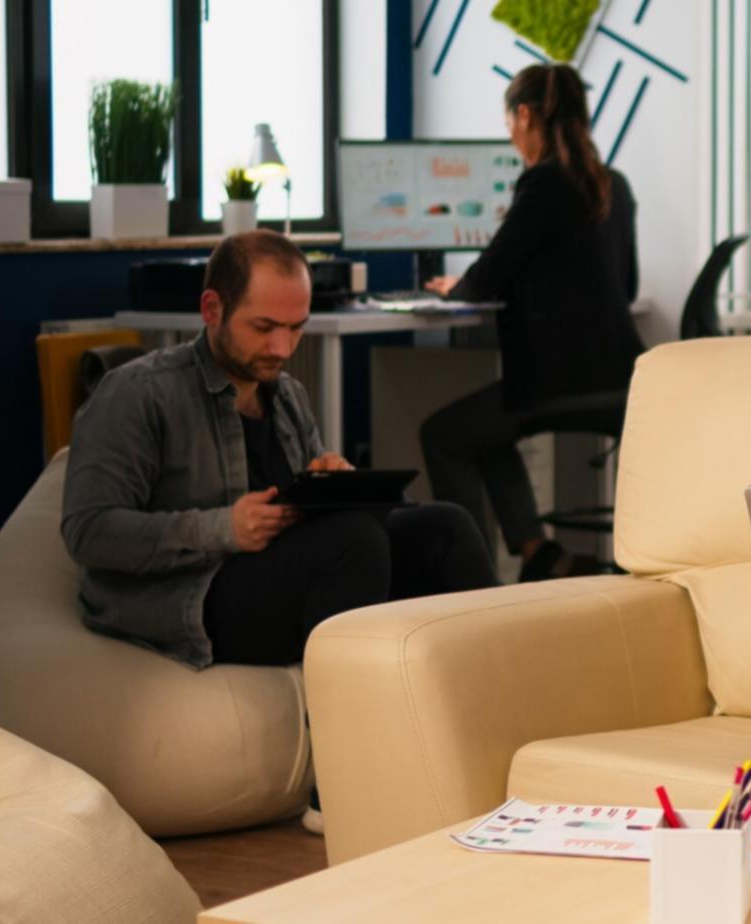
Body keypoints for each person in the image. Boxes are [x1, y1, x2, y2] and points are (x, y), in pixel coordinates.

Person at [63, 231, 498, 831]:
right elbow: (88, 532)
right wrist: (222, 528)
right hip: (192, 593)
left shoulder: (285, 395)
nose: (282, 346)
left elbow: (308, 518)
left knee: (445, 526)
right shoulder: (138, 395)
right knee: (353, 543)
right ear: (212, 309)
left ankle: (487, 743)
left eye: (296, 328)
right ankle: (341, 785)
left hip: (282, 575)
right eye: (264, 327)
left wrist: (331, 484)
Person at [420, 62, 643, 582]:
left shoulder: (543, 184)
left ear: (524, 115)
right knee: (483, 429)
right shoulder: (615, 184)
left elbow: (486, 278)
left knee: (443, 435)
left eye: (509, 123)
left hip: (558, 381)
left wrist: (457, 286)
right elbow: (627, 287)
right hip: (624, 380)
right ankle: (535, 551)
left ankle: (468, 582)